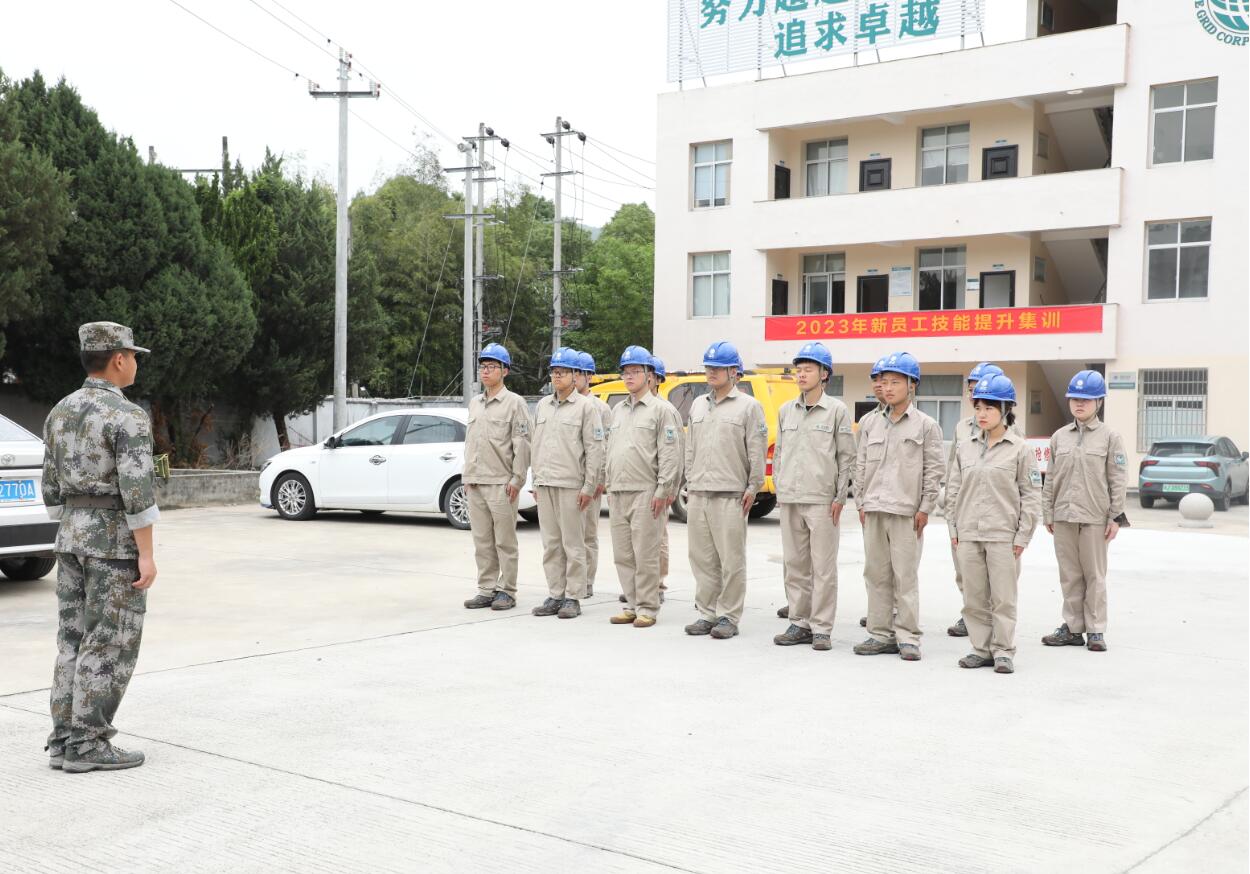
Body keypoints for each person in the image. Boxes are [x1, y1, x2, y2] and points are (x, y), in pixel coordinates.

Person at [41, 322, 160, 772]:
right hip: (112, 542)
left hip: (70, 535)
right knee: (110, 641)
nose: (135, 364)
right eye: (133, 356)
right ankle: (89, 744)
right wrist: (146, 554)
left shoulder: (60, 411)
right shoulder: (127, 415)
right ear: (118, 359)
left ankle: (64, 739)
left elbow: (50, 486)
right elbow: (137, 490)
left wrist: (74, 522)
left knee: (72, 639)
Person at [945, 374, 1041, 674]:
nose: (982, 414)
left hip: (1003, 535)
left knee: (1003, 598)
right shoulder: (965, 448)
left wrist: (1022, 536)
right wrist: (954, 529)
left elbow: (1031, 495)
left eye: (989, 408)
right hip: (968, 534)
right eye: (978, 408)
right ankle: (980, 649)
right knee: (973, 598)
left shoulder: (1020, 450)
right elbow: (953, 491)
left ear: (1005, 409)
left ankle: (1003, 651)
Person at [852, 352, 943, 661]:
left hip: (906, 512)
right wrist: (860, 501)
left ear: (911, 385)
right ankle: (880, 634)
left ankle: (907, 637)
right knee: (876, 574)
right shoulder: (869, 423)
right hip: (874, 509)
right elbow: (860, 464)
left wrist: (925, 508)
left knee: (905, 577)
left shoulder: (926, 426)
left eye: (895, 382)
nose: (888, 388)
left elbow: (934, 471)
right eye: (885, 382)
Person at [772, 342, 856, 652]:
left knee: (822, 568)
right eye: (799, 369)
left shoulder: (836, 411)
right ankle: (799, 622)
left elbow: (847, 456)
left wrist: (840, 496)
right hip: (791, 498)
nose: (802, 374)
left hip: (822, 500)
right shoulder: (786, 411)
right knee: (795, 565)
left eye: (808, 369)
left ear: (824, 374)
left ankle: (821, 628)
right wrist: (780, 487)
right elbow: (780, 453)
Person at [683, 341, 767, 640]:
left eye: (718, 368)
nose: (711, 372)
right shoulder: (698, 404)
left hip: (730, 494)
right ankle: (707, 613)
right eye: (709, 367)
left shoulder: (749, 407)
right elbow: (690, 447)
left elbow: (756, 450)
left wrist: (753, 486)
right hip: (699, 492)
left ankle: (729, 616)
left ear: (734, 371)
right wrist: (690, 479)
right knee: (702, 558)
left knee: (731, 561)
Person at [1041, 370, 1127, 652]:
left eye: (1086, 399)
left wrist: (1115, 516)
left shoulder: (1110, 437)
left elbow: (1118, 478)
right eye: (1075, 399)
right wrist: (1048, 512)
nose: (1079, 404)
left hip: (1094, 517)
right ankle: (1073, 628)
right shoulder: (1059, 437)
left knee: (1094, 576)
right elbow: (1050, 478)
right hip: (1063, 516)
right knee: (1069, 575)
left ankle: (1096, 630)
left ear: (1098, 402)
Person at [606, 346, 681, 627]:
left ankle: (648, 607)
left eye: (635, 371)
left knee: (646, 553)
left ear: (649, 375)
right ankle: (631, 603)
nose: (629, 376)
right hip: (619, 490)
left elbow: (671, 454)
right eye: (625, 372)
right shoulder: (618, 410)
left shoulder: (662, 410)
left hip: (646, 491)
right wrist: (608, 484)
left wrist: (664, 490)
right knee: (623, 554)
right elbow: (611, 449)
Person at [528, 347, 605, 619]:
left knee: (573, 544)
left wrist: (589, 486)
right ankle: (555, 594)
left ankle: (573, 596)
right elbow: (536, 444)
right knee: (551, 544)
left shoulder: (586, 407)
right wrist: (535, 480)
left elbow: (595, 449)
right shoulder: (543, 406)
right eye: (554, 371)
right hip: (546, 483)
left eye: (563, 372)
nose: (557, 376)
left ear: (575, 375)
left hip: (572, 485)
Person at [462, 343, 531, 611]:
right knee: (482, 541)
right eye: (483, 366)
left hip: (501, 483)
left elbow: (522, 444)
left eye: (492, 366)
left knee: (504, 541)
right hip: (476, 482)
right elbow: (471, 442)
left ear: (505, 371)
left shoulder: (515, 403)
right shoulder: (475, 403)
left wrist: (517, 479)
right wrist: (467, 475)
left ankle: (507, 590)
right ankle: (486, 588)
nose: (486, 371)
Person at [945, 362, 1005, 638]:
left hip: (996, 515)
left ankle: (994, 622)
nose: (974, 395)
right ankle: (971, 614)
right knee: (965, 570)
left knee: (996, 575)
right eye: (971, 390)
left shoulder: (1010, 432)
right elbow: (953, 470)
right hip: (965, 512)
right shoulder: (961, 428)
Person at [573, 351, 611, 598]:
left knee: (587, 534)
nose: (575, 377)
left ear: (589, 376)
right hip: (566, 480)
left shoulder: (601, 408)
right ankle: (569, 580)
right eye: (573, 372)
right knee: (567, 536)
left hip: (590, 481)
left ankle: (586, 581)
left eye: (580, 373)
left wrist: (600, 479)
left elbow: (605, 446)